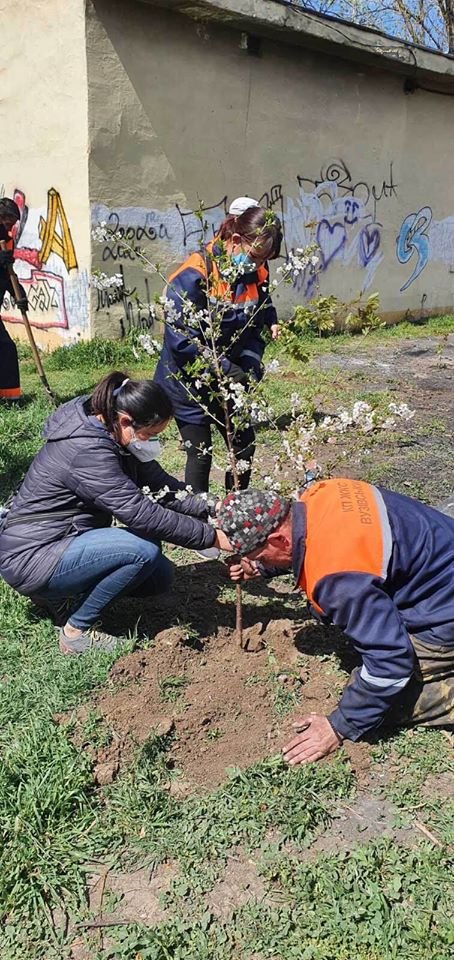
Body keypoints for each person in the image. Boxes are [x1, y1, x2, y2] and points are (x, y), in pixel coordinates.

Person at [217, 480, 454, 764]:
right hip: (439, 564)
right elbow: (311, 542)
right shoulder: (322, 493)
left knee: (390, 703)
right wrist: (264, 566)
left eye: (257, 555)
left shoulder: (338, 579)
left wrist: (338, 725)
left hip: (443, 614)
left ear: (278, 541)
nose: (253, 561)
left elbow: (391, 662)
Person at [0, 371, 229, 655]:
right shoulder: (86, 450)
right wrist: (211, 537)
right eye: (150, 435)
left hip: (63, 539)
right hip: (31, 554)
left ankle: (56, 595)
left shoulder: (113, 432)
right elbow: (141, 513)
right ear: (125, 421)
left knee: (159, 577)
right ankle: (75, 632)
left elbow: (162, 488)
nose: (152, 442)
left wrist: (214, 506)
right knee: (141, 550)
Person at [154, 203, 282, 493]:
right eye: (256, 256)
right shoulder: (196, 273)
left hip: (231, 377)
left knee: (243, 445)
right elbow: (181, 339)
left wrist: (249, 367)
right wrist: (223, 369)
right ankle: (197, 525)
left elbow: (255, 328)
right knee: (200, 453)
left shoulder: (256, 274)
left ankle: (234, 509)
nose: (259, 264)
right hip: (187, 379)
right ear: (236, 240)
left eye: (266, 259)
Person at [0, 197, 28, 401]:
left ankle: (9, 397)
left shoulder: (6, 240)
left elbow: (8, 272)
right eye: (7, 218)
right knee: (6, 347)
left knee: (5, 348)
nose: (10, 223)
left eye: (13, 220)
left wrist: (18, 292)